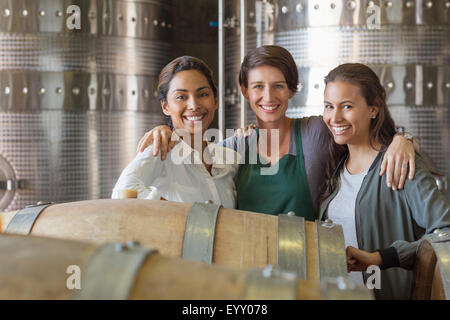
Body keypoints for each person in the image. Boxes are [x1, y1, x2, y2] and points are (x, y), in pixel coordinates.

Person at [136, 46, 416, 220]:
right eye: (257, 86)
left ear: (293, 89)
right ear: (244, 91)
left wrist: (401, 140)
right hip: (247, 275)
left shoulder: (316, 132)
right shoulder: (233, 147)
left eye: (279, 86)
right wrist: (167, 130)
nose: (268, 97)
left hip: (307, 270)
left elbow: (361, 130)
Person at [318, 63, 450, 299]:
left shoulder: (401, 164)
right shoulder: (334, 167)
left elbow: (445, 234)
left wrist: (384, 257)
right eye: (329, 106)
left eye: (347, 106)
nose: (334, 117)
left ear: (373, 109)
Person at [112, 56, 239, 208]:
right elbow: (122, 192)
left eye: (203, 94)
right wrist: (175, 212)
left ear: (215, 101)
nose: (193, 105)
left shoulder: (229, 160)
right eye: (181, 97)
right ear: (165, 107)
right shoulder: (161, 152)